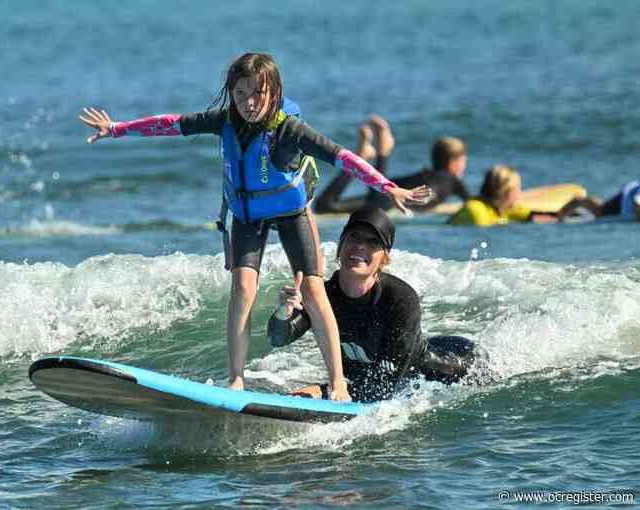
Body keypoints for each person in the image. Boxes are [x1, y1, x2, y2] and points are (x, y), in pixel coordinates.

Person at [79, 52, 432, 401]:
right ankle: (236, 379)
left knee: (313, 290)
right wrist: (116, 129)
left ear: (274, 92)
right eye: (240, 94)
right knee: (242, 289)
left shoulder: (291, 130)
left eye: (257, 93)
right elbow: (171, 123)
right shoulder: (224, 122)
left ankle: (338, 382)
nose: (249, 103)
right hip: (248, 215)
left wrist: (387, 187)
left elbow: (342, 156)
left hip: (291, 213)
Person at [268, 207, 488, 403]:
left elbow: (386, 387)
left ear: (384, 258)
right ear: (341, 245)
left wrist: (322, 391)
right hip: (381, 379)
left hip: (454, 368)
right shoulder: (323, 297)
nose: (360, 247)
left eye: (373, 242)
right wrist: (283, 312)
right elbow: (277, 339)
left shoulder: (400, 299)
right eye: (353, 237)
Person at [313, 115, 469, 214]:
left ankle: (361, 156)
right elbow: (474, 201)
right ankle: (383, 152)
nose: (463, 166)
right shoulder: (453, 182)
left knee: (323, 206)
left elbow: (388, 182)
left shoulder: (425, 174)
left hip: (383, 199)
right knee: (326, 206)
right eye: (463, 161)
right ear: (452, 162)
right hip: (385, 204)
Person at [448, 164, 557, 227]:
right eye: (518, 188)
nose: (520, 193)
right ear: (508, 191)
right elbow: (481, 229)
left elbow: (541, 217)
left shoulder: (506, 210)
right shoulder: (474, 209)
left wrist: (566, 211)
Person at [556, 180, 640, 222]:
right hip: (626, 199)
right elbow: (637, 204)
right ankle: (577, 202)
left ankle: (578, 206)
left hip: (631, 193)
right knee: (600, 211)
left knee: (600, 210)